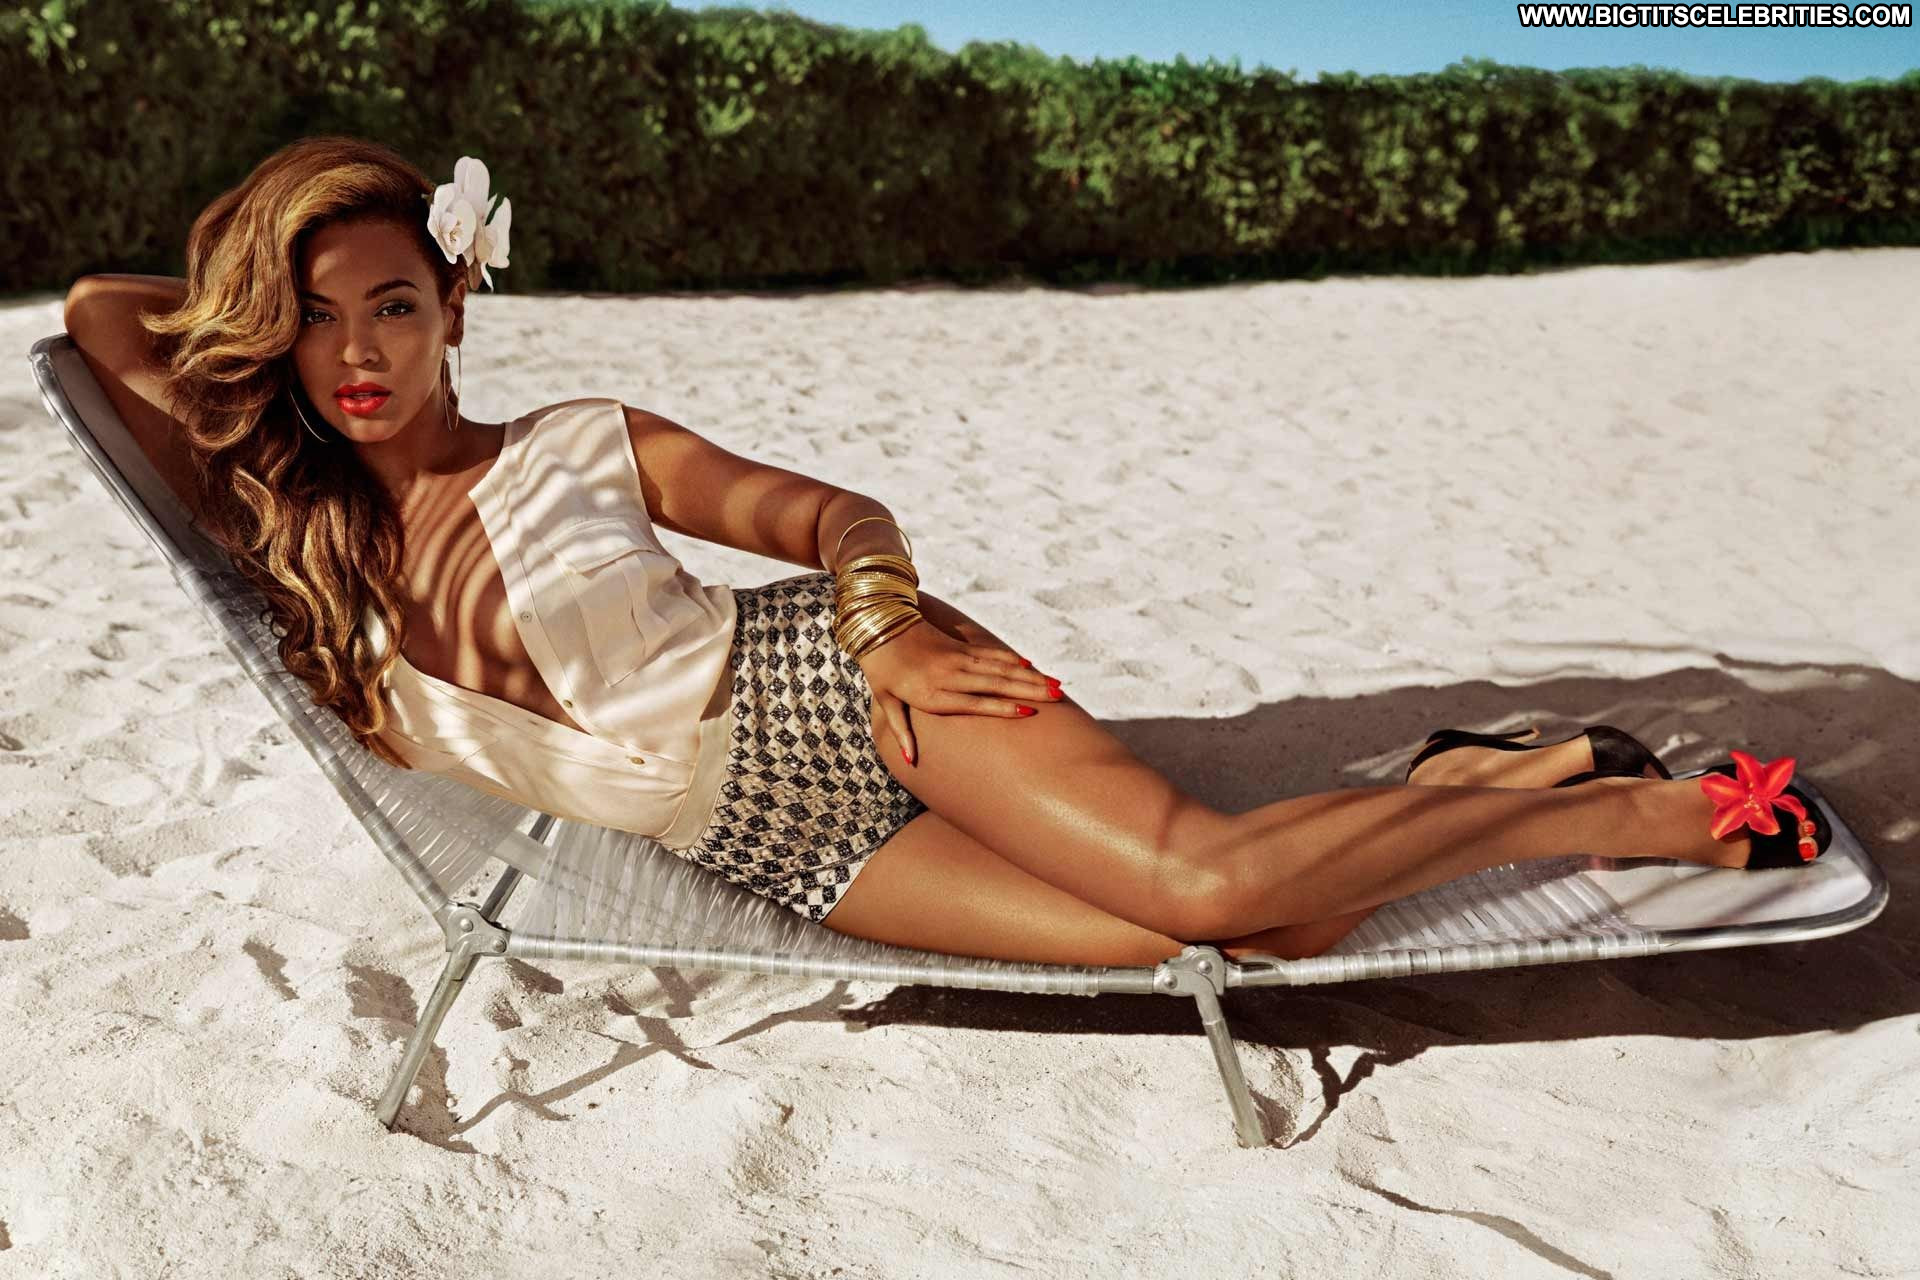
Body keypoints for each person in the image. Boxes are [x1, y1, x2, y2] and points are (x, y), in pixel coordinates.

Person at [60, 135, 1832, 971]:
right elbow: (100, 313)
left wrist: (890, 631)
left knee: (1206, 882)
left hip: (844, 685)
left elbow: (832, 520)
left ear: (459, 304)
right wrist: (266, 272)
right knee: (1225, 946)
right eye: (314, 318)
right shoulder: (291, 529)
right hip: (762, 837)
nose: (356, 353)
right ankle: (1469, 777)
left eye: (392, 303)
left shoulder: (581, 443)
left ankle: (1628, 818)